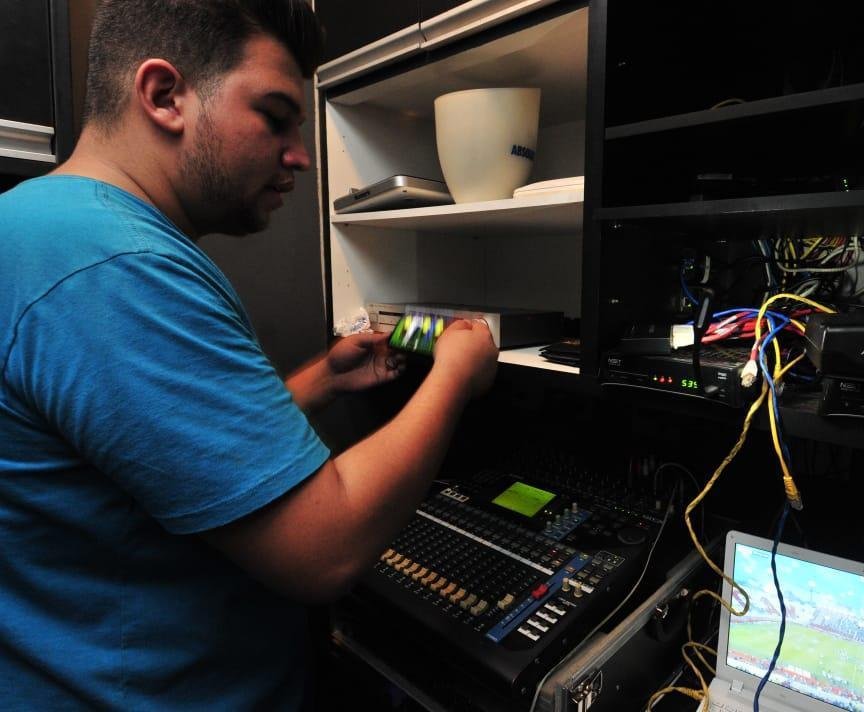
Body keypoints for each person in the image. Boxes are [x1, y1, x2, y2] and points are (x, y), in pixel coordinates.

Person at [0, 0, 498, 708]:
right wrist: (454, 372)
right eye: (275, 114)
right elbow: (324, 550)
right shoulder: (117, 265)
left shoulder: (33, 223)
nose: (299, 153)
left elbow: (143, 450)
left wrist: (321, 380)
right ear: (164, 95)